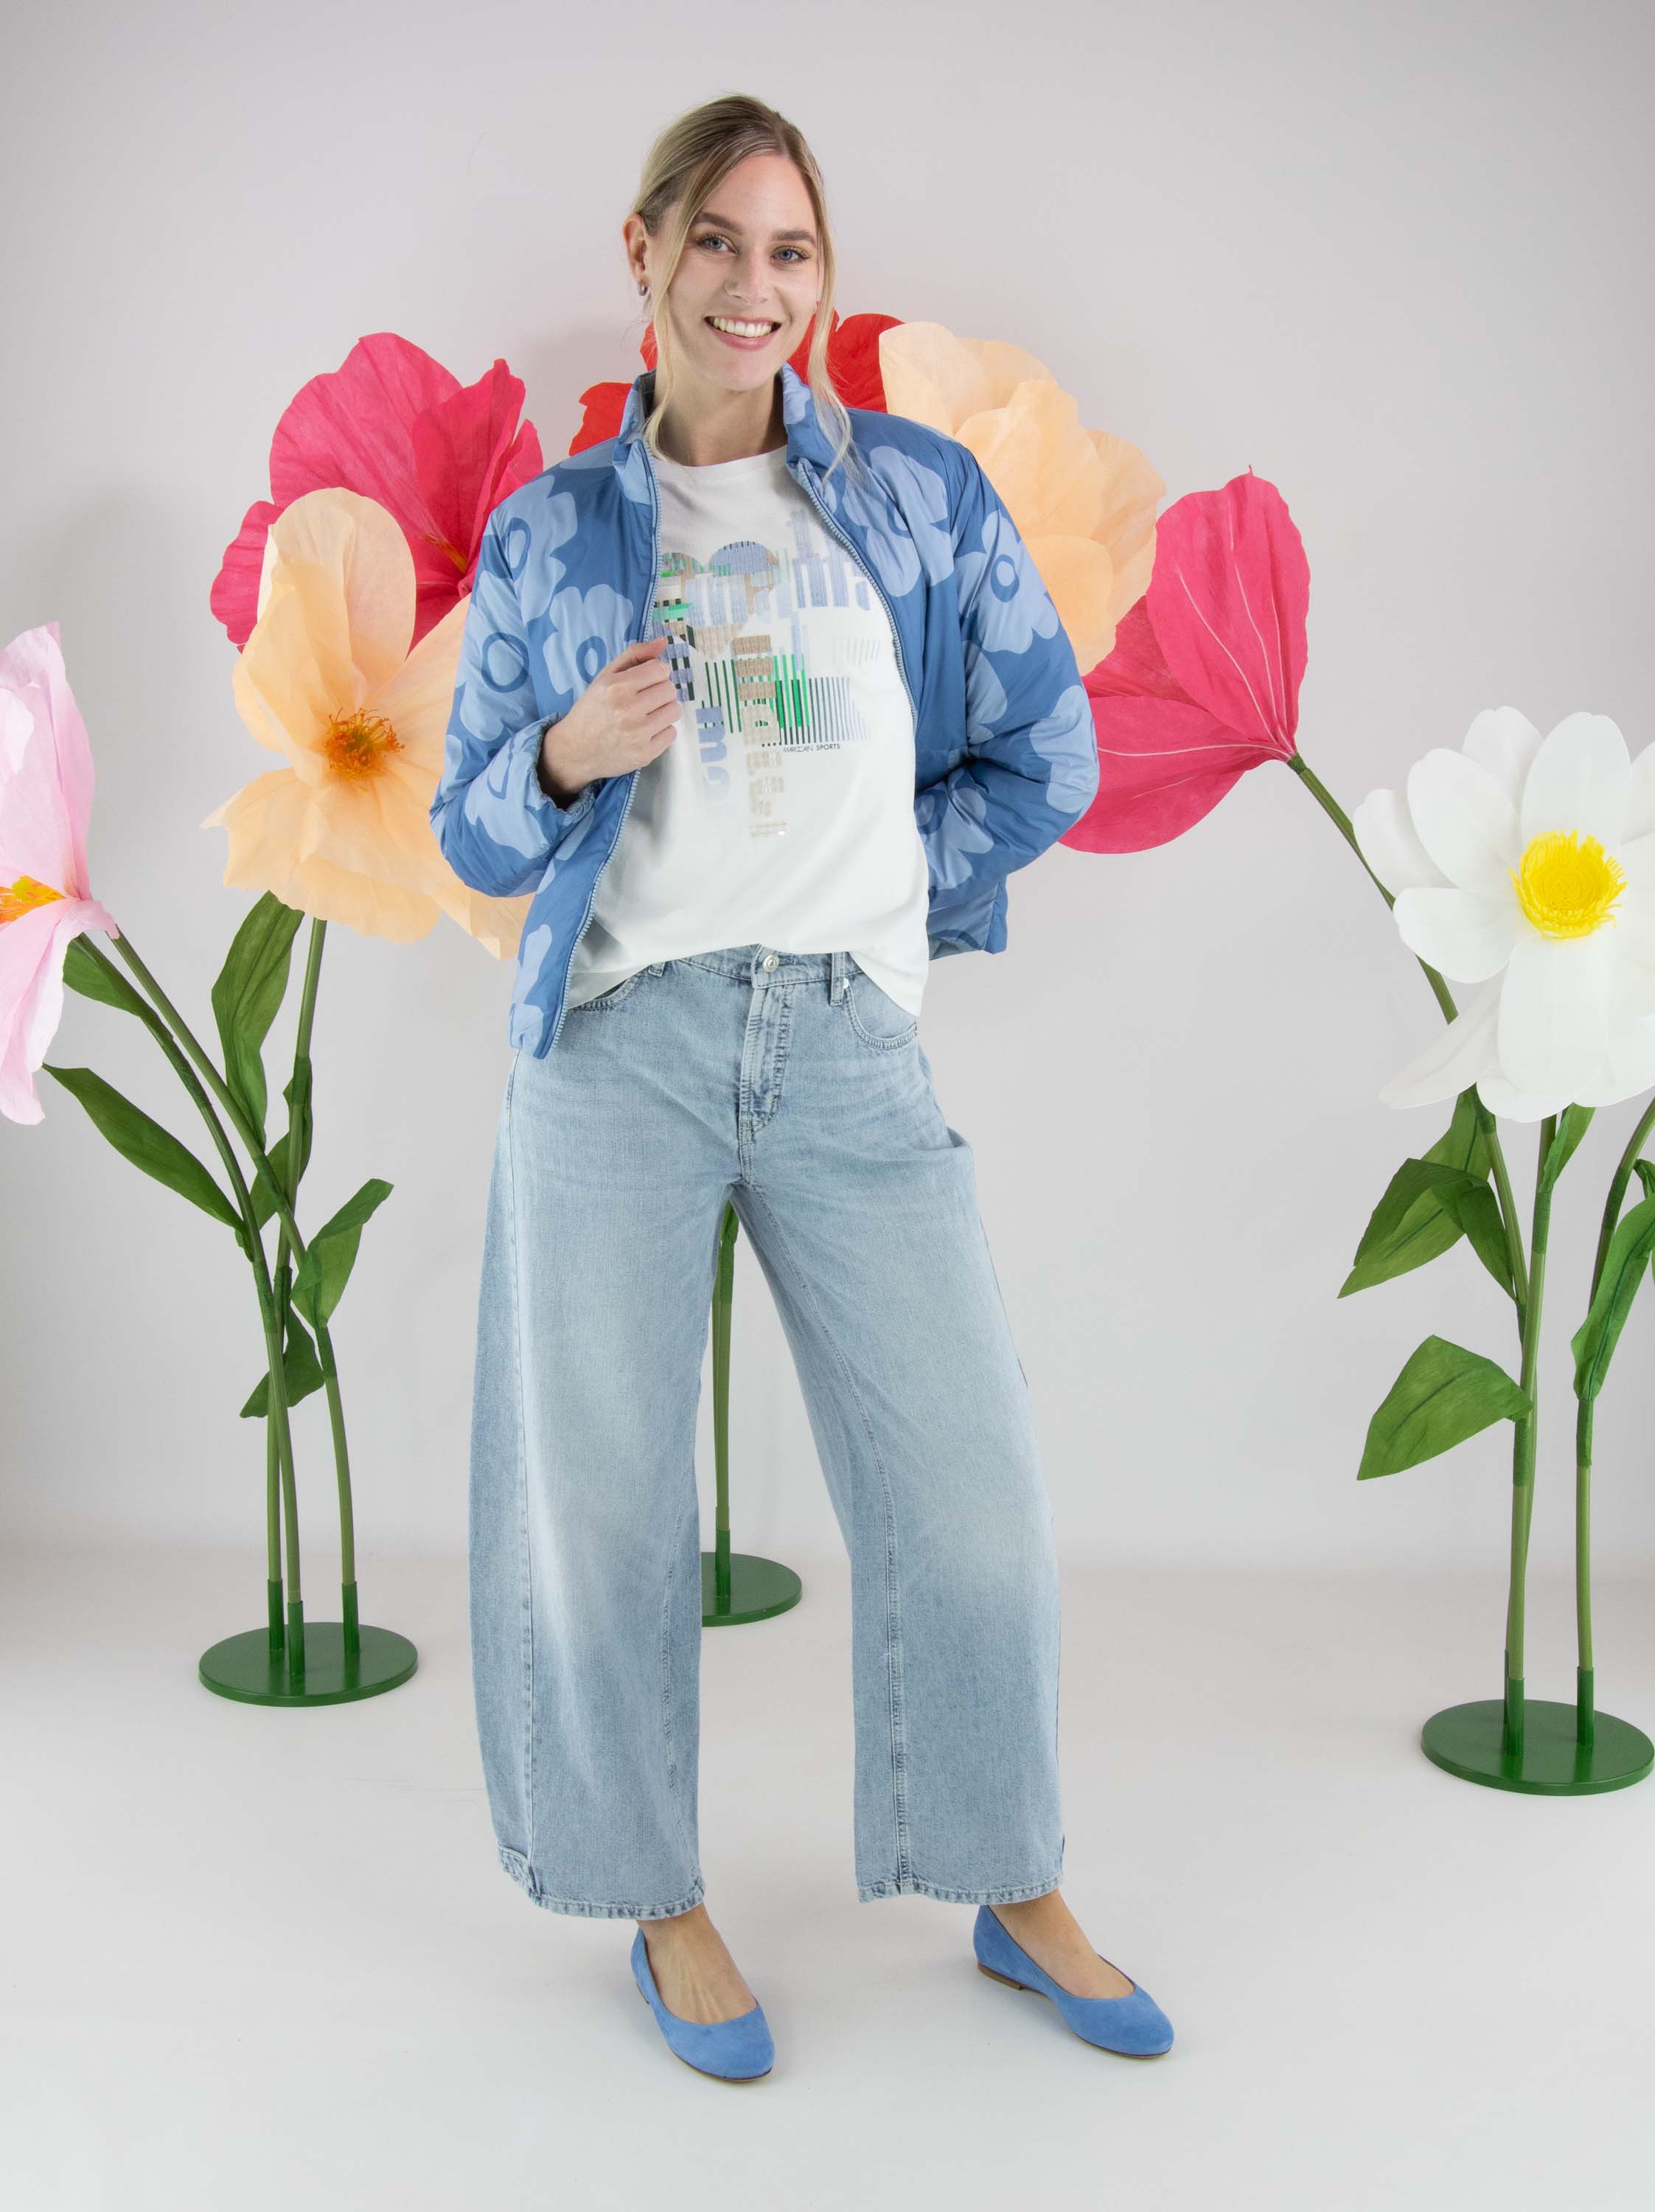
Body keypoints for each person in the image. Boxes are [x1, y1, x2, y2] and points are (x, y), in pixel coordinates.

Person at [431, 91, 1174, 2080]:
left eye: (791, 253)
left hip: (844, 1046)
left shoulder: (917, 501)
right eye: (718, 242)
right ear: (644, 254)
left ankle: (1011, 1882)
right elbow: (470, 838)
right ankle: (653, 1901)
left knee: (972, 1495)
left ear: (818, 280)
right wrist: (566, 757)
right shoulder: (550, 536)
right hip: (619, 1051)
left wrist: (884, 892)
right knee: (603, 1504)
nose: (753, 287)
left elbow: (1052, 755)